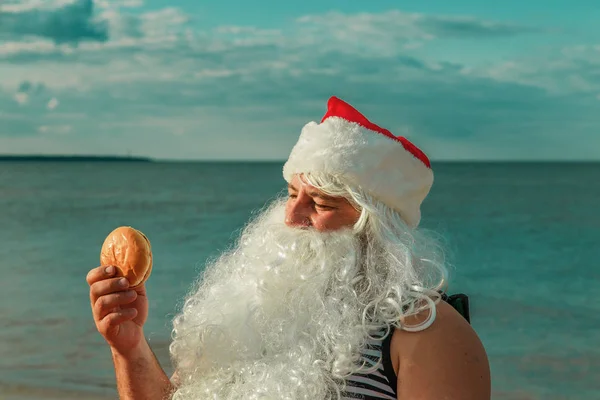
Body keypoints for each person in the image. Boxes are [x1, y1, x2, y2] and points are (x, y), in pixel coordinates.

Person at [86, 96, 491, 400]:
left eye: (320, 203)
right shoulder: (256, 311)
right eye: (292, 193)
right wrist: (129, 346)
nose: (292, 216)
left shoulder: (426, 334)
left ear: (377, 225)